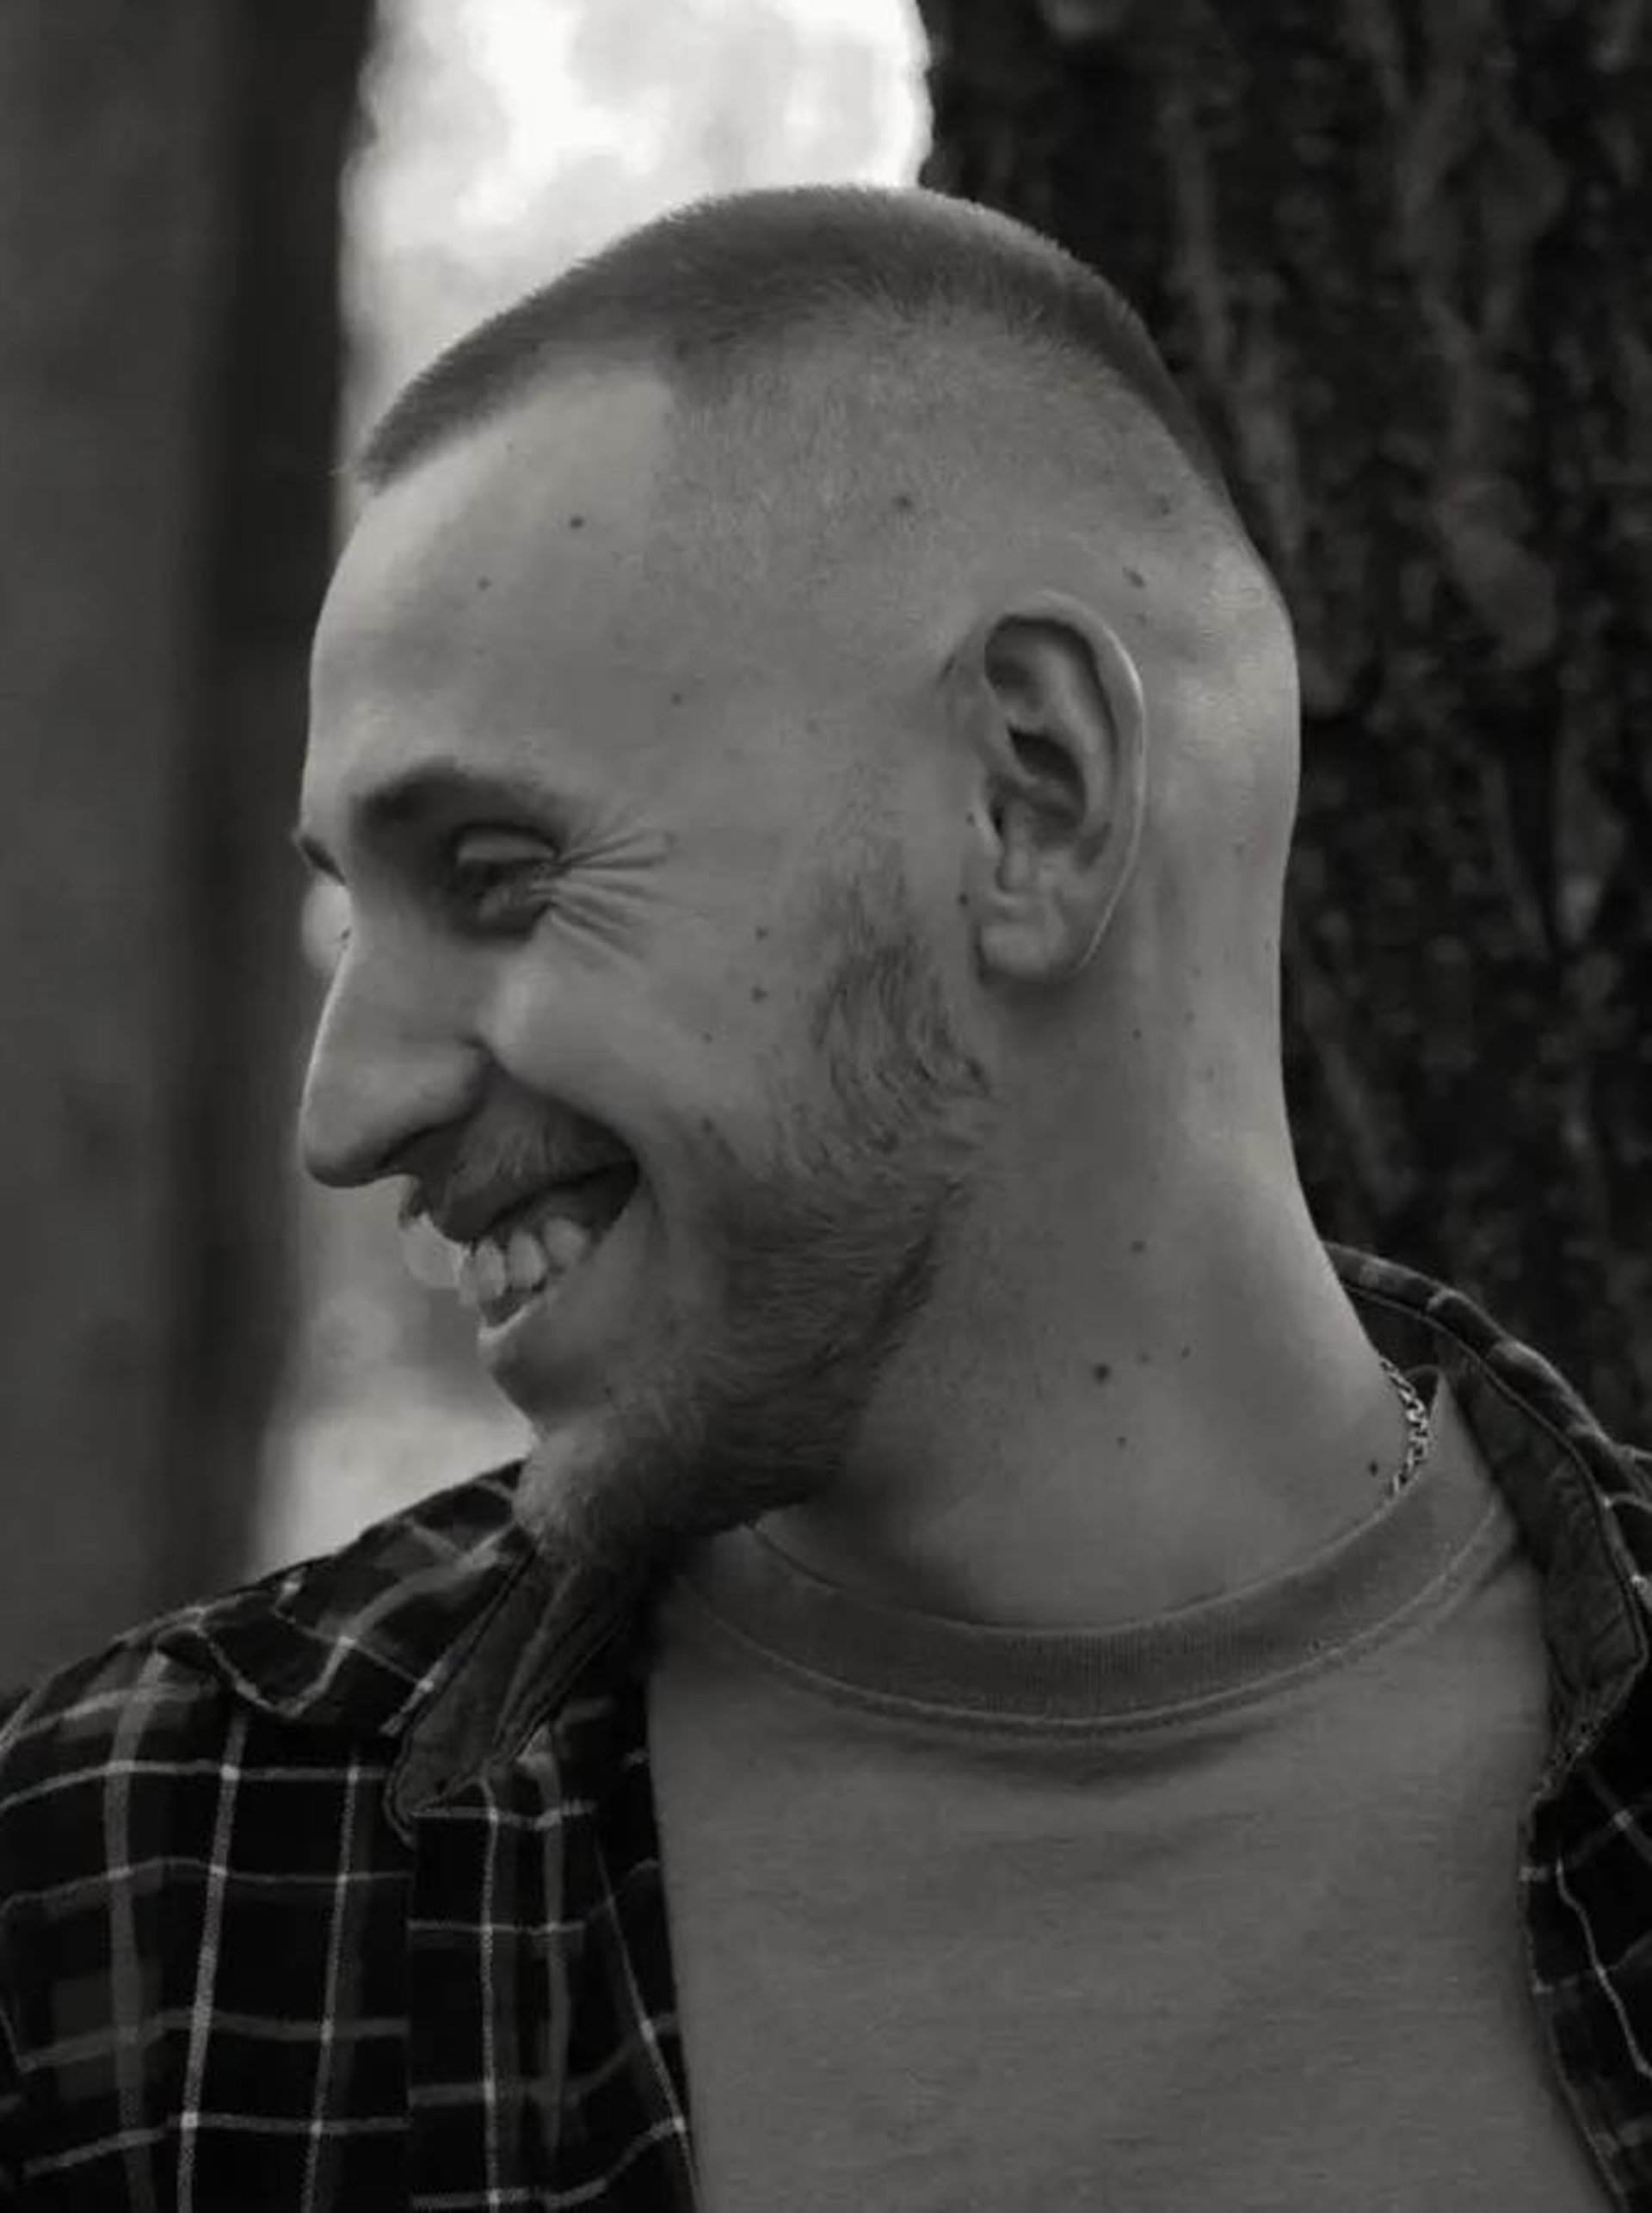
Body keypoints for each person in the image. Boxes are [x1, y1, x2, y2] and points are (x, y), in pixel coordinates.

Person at [1, 182, 1648, 2211]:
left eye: (498, 874)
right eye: (353, 912)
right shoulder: (132, 1910)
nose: (348, 1111)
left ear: (1028, 796)